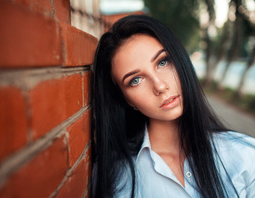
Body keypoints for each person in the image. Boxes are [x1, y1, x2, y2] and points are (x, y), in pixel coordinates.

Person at [91, 15, 255, 198]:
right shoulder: (114, 176)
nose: (160, 86)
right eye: (135, 80)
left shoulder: (245, 156)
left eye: (163, 62)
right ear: (126, 99)